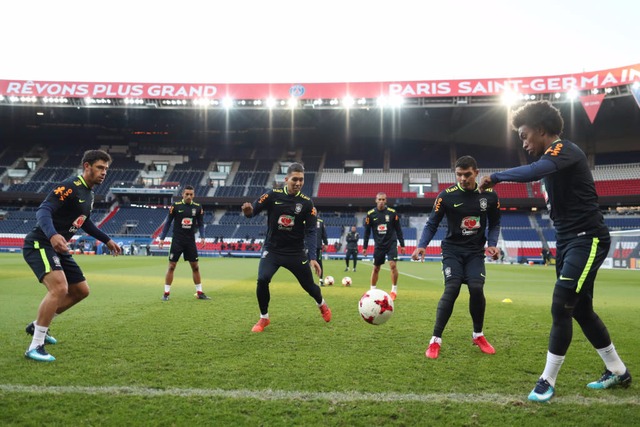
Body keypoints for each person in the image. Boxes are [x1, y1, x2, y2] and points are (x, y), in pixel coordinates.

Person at [479, 100, 632, 402]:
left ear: (540, 130)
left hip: (587, 239)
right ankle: (618, 371)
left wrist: (497, 177)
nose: (523, 142)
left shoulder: (563, 151)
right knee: (582, 310)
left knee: (561, 304)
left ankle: (547, 381)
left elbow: (536, 171)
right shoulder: (552, 157)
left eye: (524, 135)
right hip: (566, 242)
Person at [22, 150, 122, 362]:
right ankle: (35, 346)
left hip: (59, 248)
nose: (104, 173)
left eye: (106, 169)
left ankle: (38, 324)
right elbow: (43, 210)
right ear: (87, 166)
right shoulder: (70, 186)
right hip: (41, 242)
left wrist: (107, 240)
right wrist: (53, 235)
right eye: (99, 168)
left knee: (81, 291)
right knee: (59, 288)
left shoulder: (90, 194)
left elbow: (84, 222)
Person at [411, 156, 501, 360]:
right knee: (452, 288)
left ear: (476, 173)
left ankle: (478, 335)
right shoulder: (446, 196)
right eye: (459, 174)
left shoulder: (490, 196)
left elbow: (495, 223)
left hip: (475, 252)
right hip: (452, 250)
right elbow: (432, 223)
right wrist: (422, 246)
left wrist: (493, 244)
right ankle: (435, 340)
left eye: (467, 174)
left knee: (476, 288)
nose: (462, 178)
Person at [241, 162, 331, 332]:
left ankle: (322, 304)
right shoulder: (272, 195)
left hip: (295, 252)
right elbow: (252, 211)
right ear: (286, 179)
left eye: (301, 180)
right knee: (262, 279)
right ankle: (264, 318)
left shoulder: (307, 203)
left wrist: (312, 257)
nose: (298, 183)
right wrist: (247, 211)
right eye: (295, 179)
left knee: (309, 286)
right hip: (273, 250)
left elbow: (312, 231)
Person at [158, 185, 210, 301]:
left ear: (194, 195)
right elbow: (168, 223)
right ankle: (166, 293)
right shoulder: (175, 206)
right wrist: (162, 238)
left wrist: (203, 237)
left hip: (190, 241)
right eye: (187, 194)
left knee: (195, 267)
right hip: (177, 240)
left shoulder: (197, 207)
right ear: (182, 194)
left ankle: (200, 292)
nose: (189, 196)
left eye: (191, 194)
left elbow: (201, 224)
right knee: (171, 266)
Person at [361, 192, 405, 300]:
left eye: (383, 199)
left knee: (393, 265)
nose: (381, 201)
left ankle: (394, 290)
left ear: (386, 201)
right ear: (376, 200)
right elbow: (367, 232)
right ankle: (372, 290)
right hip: (379, 245)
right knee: (376, 268)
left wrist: (402, 245)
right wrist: (364, 247)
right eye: (379, 199)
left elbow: (399, 230)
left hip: (391, 243)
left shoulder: (392, 213)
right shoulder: (370, 214)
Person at [311, 214, 329, 286]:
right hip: (308, 247)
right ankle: (308, 281)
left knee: (319, 263)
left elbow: (324, 234)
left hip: (318, 247)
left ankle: (321, 280)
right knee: (306, 264)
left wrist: (326, 243)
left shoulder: (320, 222)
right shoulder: (305, 220)